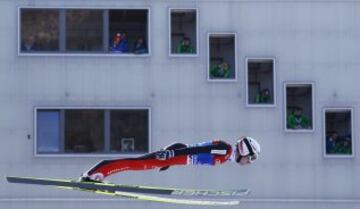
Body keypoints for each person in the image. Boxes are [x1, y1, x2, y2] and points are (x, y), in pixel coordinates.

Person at [80, 137, 261, 182]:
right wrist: (171, 155)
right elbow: (198, 149)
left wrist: (170, 162)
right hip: (176, 154)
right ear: (245, 150)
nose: (249, 162)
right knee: (135, 164)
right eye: (250, 158)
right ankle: (93, 173)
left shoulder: (227, 156)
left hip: (175, 157)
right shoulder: (226, 149)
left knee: (136, 164)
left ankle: (97, 173)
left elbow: (195, 153)